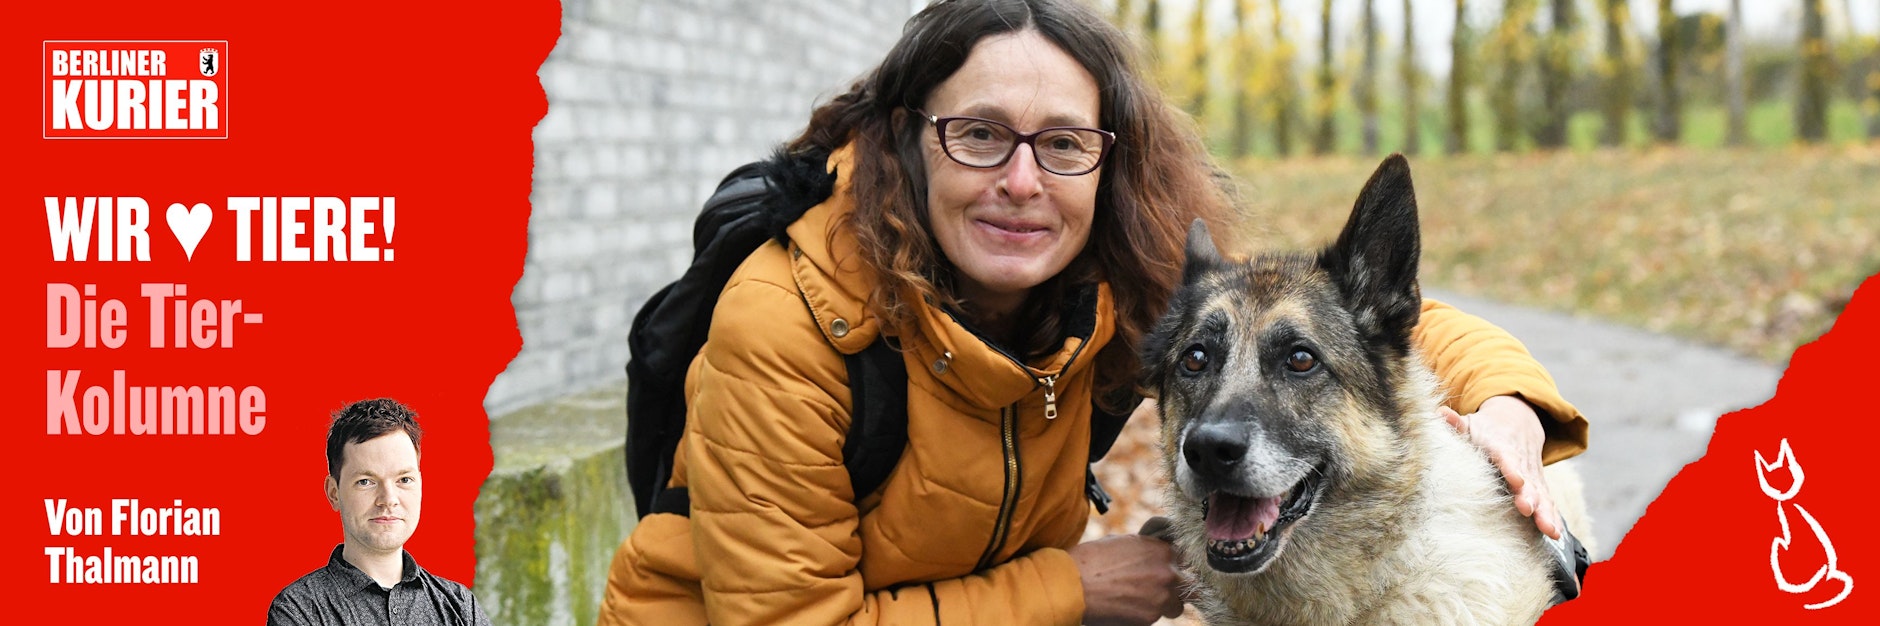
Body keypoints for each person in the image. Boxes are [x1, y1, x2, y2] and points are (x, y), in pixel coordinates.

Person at [598, 1, 1587, 624]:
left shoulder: (1115, 282)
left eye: (1063, 143)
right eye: (979, 134)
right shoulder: (787, 322)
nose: (1022, 181)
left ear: (1107, 162)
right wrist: (1075, 588)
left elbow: (1346, 320)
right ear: (906, 141)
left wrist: (1507, 404)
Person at [268, 398, 490, 626]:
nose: (388, 500)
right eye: (366, 481)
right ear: (334, 493)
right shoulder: (298, 610)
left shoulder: (460, 606)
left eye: (404, 479)